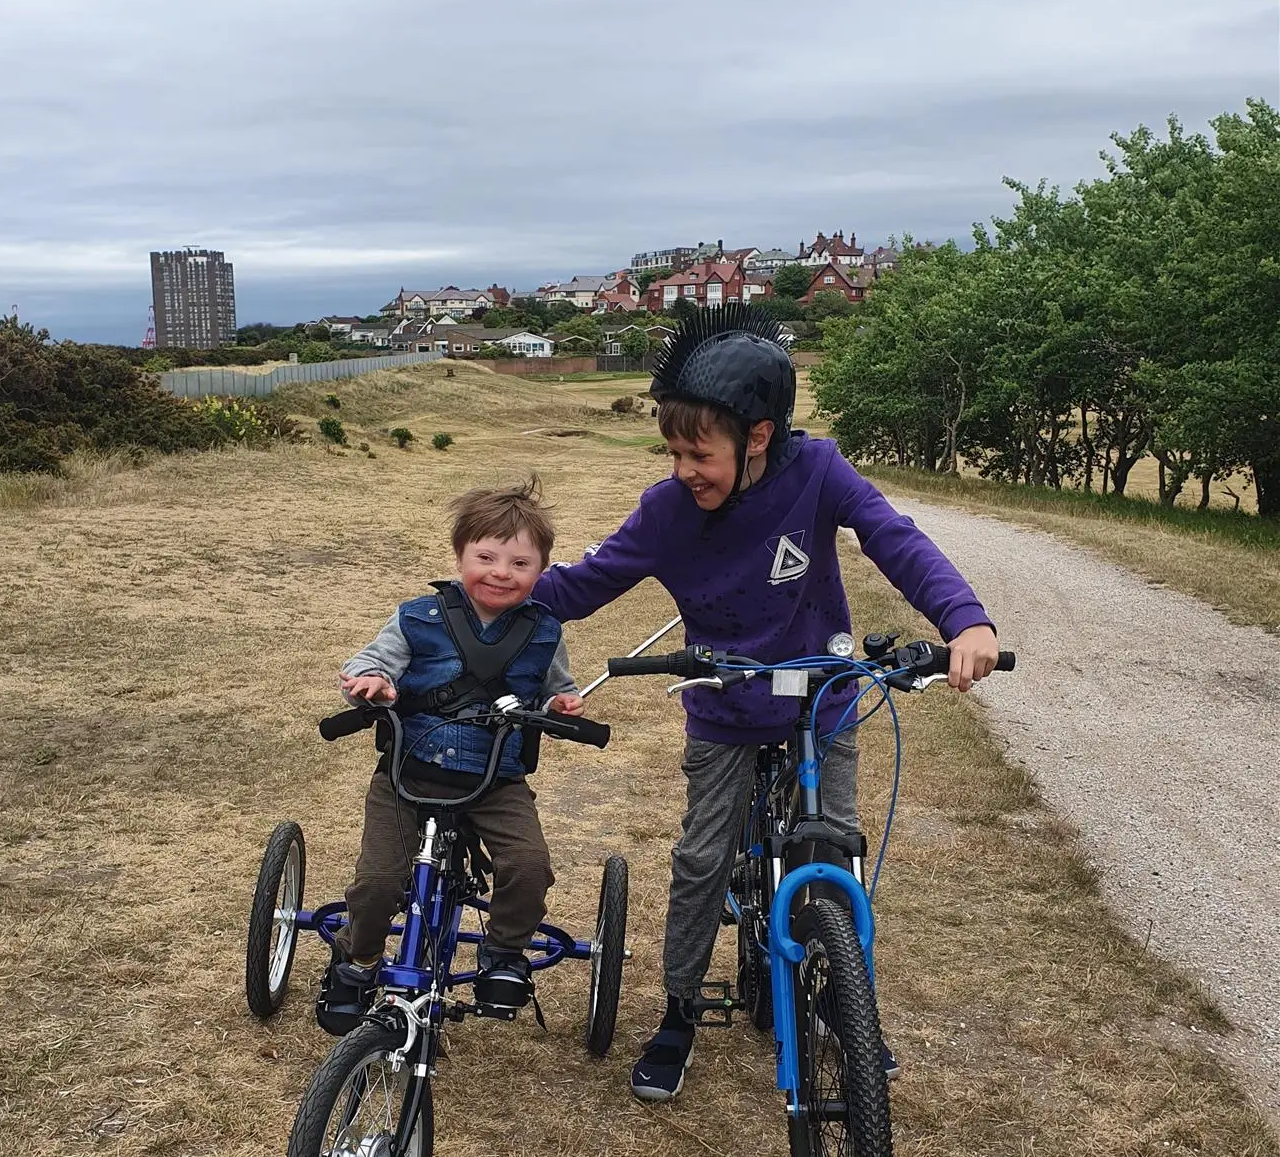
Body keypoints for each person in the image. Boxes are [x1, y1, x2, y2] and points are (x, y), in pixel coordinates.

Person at [531, 304, 1002, 1101]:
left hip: (821, 698)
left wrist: (966, 619)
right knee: (703, 859)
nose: (684, 468)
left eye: (698, 452)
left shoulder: (817, 472)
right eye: (672, 450)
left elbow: (895, 538)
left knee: (833, 853)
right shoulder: (667, 510)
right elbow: (580, 586)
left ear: (758, 436)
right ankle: (679, 1010)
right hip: (724, 705)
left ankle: (842, 1007)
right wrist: (493, 596)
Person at [318, 478, 586, 1035]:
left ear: (540, 571)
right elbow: (370, 664)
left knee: (529, 866)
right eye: (485, 557)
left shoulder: (544, 631)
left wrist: (562, 706)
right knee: (378, 883)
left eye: (519, 563)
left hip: (495, 780)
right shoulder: (418, 617)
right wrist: (371, 682)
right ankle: (356, 960)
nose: (500, 573)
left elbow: (555, 691)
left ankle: (505, 954)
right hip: (406, 775)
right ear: (460, 555)